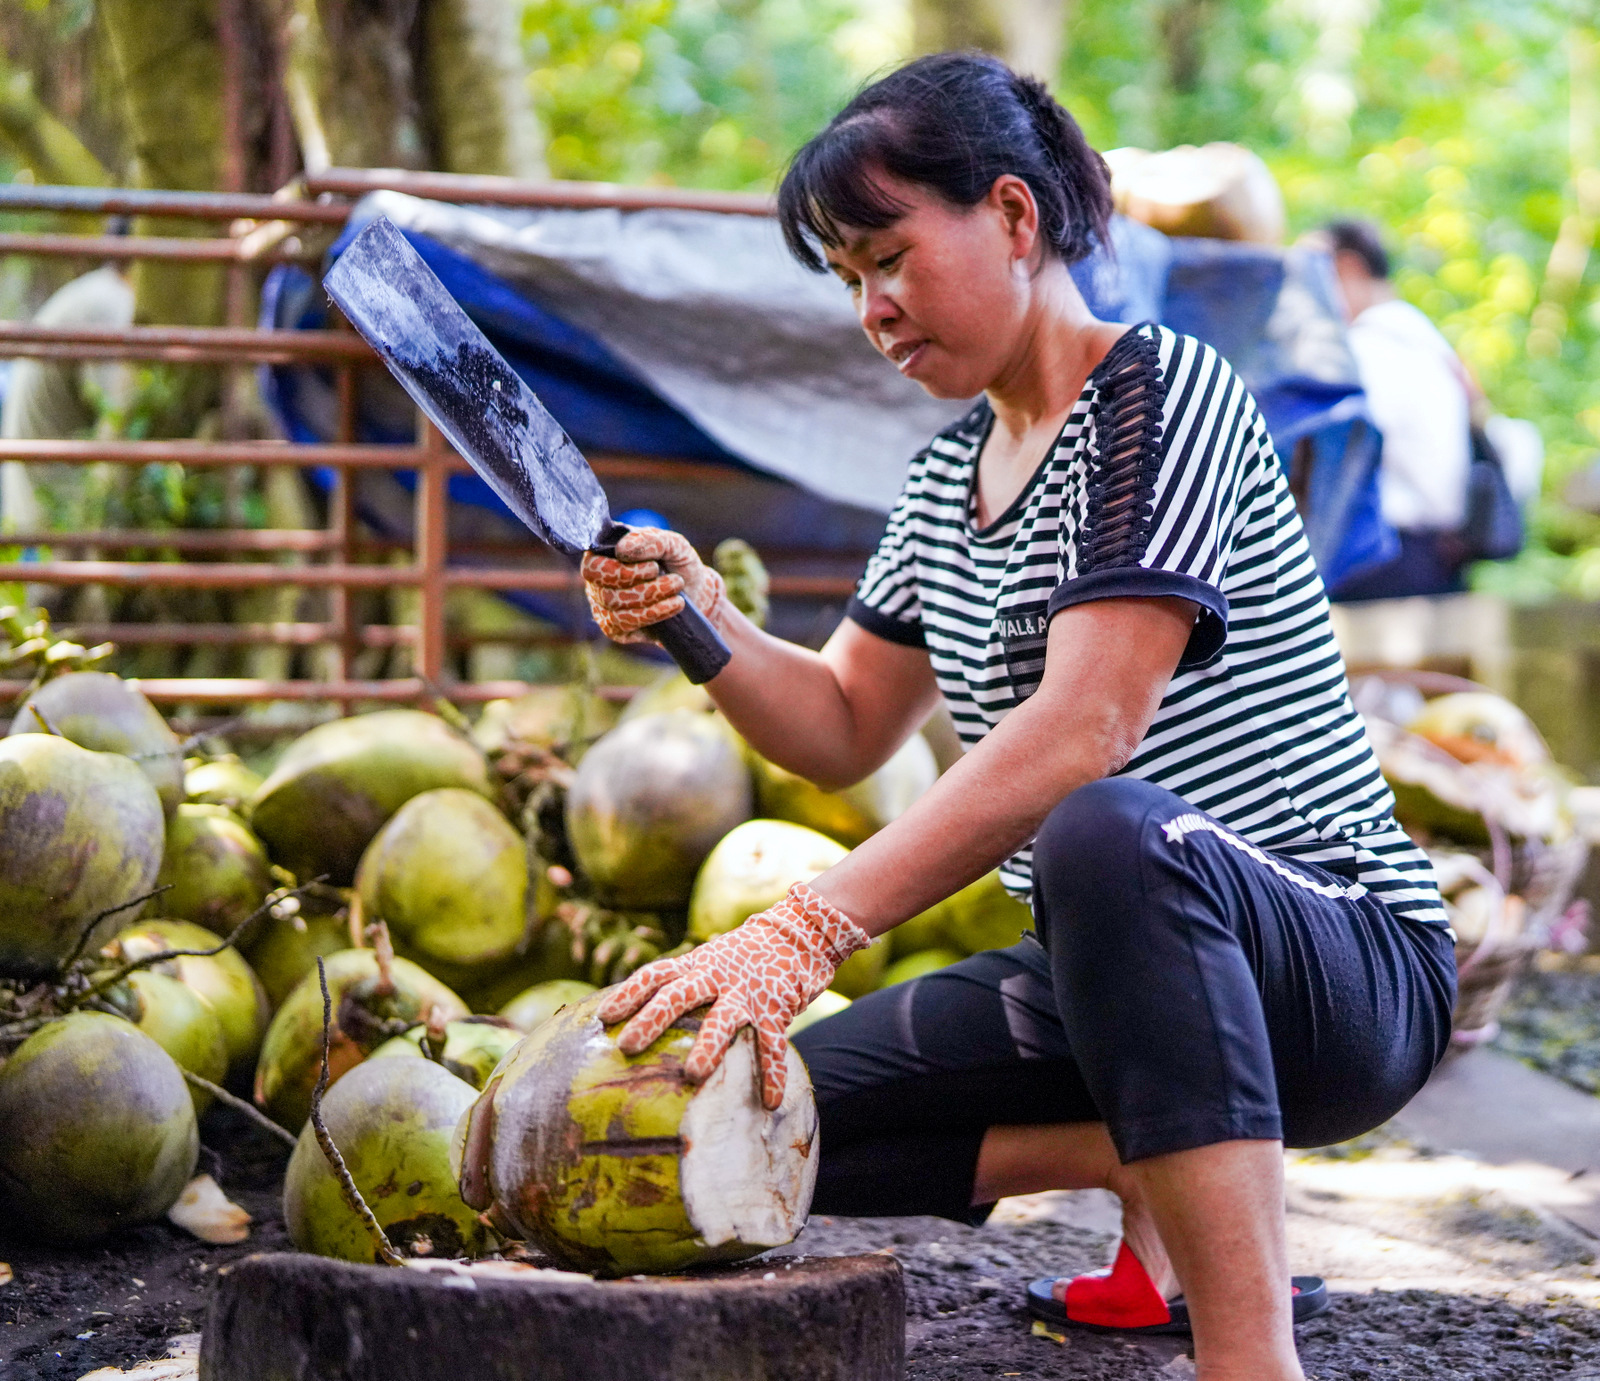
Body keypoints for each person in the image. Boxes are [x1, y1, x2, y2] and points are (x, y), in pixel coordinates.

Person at [586, 54, 1455, 1381]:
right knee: (769, 1107)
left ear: (1010, 214)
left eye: (888, 256)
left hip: (1336, 958)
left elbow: (1087, 730)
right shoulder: (944, 482)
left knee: (1100, 830)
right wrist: (698, 618)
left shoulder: (1162, 396)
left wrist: (808, 924)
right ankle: (1163, 1146)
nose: (872, 308)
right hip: (1121, 990)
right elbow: (838, 724)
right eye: (846, 279)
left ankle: (1248, 1356)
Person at [1321, 219, 1475, 600]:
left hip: (1391, 558)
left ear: (1349, 269)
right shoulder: (1425, 342)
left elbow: (1344, 456)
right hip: (1441, 555)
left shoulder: (1371, 347)